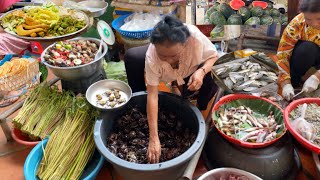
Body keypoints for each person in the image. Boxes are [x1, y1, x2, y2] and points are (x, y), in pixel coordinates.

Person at [124, 15, 218, 163]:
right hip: (166, 73)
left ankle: (200, 107)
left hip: (191, 69)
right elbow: (153, 96)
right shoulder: (152, 57)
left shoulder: (195, 38)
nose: (168, 60)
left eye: (173, 55)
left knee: (215, 74)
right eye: (163, 56)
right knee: (132, 57)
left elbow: (214, 56)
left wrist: (202, 71)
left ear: (185, 44)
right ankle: (143, 109)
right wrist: (153, 138)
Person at [276, 0, 320, 101]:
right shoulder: (297, 23)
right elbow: (283, 53)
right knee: (306, 49)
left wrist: (317, 77)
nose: (315, 24)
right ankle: (295, 84)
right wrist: (285, 83)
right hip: (309, 54)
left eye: (319, 19)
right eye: (308, 19)